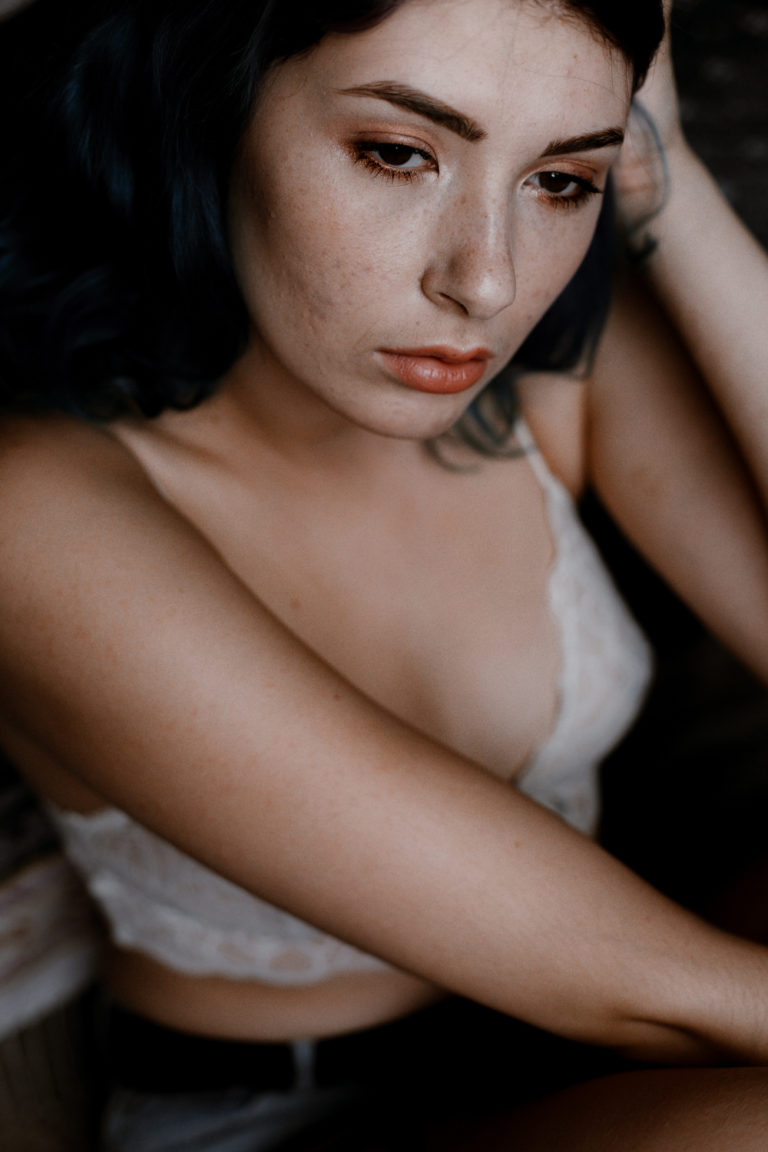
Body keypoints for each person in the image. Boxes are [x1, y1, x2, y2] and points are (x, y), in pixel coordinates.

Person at [2, 0, 768, 1147]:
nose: (488, 282)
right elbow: (644, 985)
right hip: (294, 1116)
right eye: (401, 153)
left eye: (560, 180)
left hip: (609, 1061)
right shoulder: (33, 513)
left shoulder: (548, 377)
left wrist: (672, 190)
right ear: (209, 109)